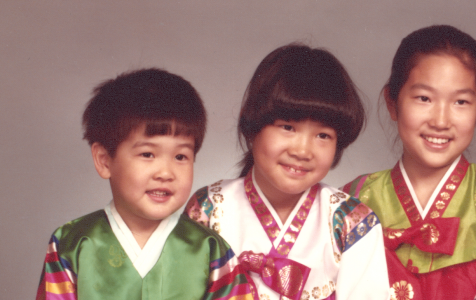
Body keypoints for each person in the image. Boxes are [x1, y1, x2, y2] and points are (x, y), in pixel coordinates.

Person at [342, 25, 476, 300]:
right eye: (424, 98)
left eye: (460, 102)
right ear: (392, 102)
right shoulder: (353, 199)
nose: (441, 121)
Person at [185, 44, 390, 300]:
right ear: (252, 127)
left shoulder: (352, 222)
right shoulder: (209, 209)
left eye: (323, 135)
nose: (303, 151)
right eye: (288, 127)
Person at [36, 68, 256, 300]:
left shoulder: (210, 249)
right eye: (147, 154)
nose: (165, 172)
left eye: (180, 157)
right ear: (104, 160)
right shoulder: (71, 244)